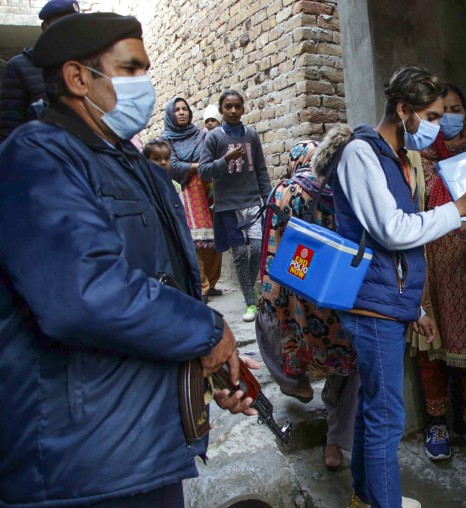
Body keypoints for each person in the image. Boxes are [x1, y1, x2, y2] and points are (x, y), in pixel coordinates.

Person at [0, 13, 257, 507]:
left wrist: (204, 365)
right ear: (78, 78)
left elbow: (160, 290)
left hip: (146, 445)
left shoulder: (141, 170)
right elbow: (86, 294)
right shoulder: (38, 159)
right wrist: (207, 331)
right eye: (131, 69)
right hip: (81, 463)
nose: (146, 83)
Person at [316, 65, 466, 508]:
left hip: (386, 305)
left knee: (374, 413)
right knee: (386, 419)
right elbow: (394, 231)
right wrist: (459, 209)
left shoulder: (391, 158)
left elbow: (393, 252)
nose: (437, 125)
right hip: (371, 310)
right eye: (432, 116)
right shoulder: (362, 153)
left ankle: (366, 497)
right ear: (404, 111)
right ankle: (383, 502)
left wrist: (415, 310)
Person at [256, 139, 359, 472]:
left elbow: (274, 248)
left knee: (269, 326)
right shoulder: (347, 189)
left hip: (299, 293)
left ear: (293, 162)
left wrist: (271, 298)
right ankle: (335, 440)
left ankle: (296, 383)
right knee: (348, 363)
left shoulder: (284, 191)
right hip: (338, 294)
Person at [413, 82, 466, 462]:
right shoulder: (417, 159)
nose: (449, 118)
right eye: (439, 111)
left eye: (455, 108)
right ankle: (437, 423)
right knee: (430, 346)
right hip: (428, 267)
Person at [199, 90, 272, 322]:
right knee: (240, 253)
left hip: (252, 202)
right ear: (221, 109)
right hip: (228, 206)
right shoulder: (214, 137)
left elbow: (260, 168)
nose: (232, 111)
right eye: (228, 107)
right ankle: (251, 302)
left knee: (257, 250)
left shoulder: (251, 135)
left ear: (243, 109)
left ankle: (249, 290)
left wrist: (268, 198)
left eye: (237, 106)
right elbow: (203, 170)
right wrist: (226, 160)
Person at [163, 96, 222, 303]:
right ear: (170, 114)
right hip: (187, 189)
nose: (181, 112)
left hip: (211, 188)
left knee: (216, 238)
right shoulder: (166, 140)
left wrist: (206, 167)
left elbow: (214, 156)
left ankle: (212, 282)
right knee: (196, 239)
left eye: (184, 109)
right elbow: (174, 166)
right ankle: (202, 285)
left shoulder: (201, 134)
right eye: (177, 110)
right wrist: (200, 166)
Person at [0, 0, 80, 142]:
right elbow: (10, 129)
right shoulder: (19, 67)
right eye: (61, 24)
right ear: (45, 27)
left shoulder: (86, 65)